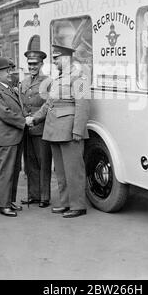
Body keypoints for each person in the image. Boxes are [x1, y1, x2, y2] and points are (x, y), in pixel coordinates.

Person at [30, 44, 90, 218]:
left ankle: (78, 205)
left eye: (56, 58)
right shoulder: (57, 79)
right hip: (55, 130)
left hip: (70, 130)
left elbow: (83, 105)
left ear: (66, 58)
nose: (54, 61)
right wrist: (35, 118)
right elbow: (49, 103)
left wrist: (78, 130)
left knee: (74, 170)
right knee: (61, 171)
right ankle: (65, 203)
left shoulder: (79, 77)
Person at [0, 57, 29, 217]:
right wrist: (24, 121)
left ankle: (10, 201)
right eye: (6, 71)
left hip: (14, 136)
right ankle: (3, 205)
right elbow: (5, 113)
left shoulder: (8, 88)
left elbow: (16, 108)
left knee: (14, 170)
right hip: (6, 138)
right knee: (5, 171)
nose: (10, 73)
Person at [20, 50, 52, 208]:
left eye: (35, 64)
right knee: (30, 163)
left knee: (43, 162)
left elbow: (48, 105)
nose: (32, 67)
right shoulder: (24, 82)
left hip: (41, 127)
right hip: (27, 128)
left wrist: (35, 118)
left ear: (41, 64)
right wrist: (24, 118)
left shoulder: (48, 81)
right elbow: (21, 102)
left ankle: (44, 197)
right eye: (30, 64)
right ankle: (33, 195)